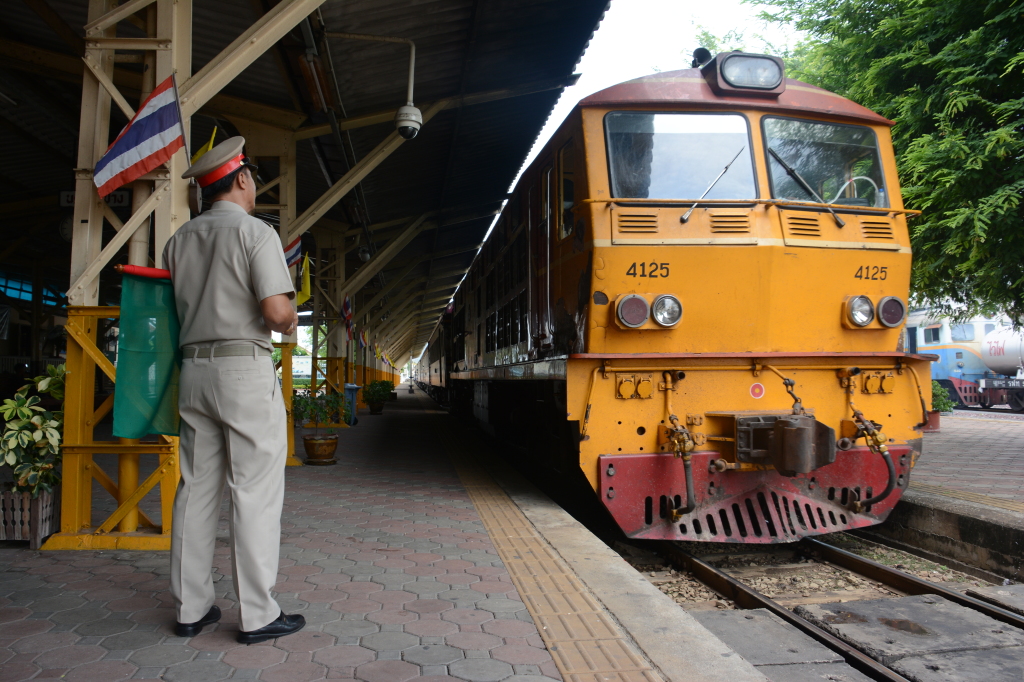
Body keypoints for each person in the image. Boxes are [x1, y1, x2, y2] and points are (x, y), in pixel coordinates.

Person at [164, 137, 304, 644]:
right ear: (242, 179)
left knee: (195, 490)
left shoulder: (178, 241)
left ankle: (191, 609)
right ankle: (257, 614)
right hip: (243, 370)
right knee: (254, 493)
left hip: (194, 371)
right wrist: (290, 315)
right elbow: (274, 311)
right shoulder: (256, 233)